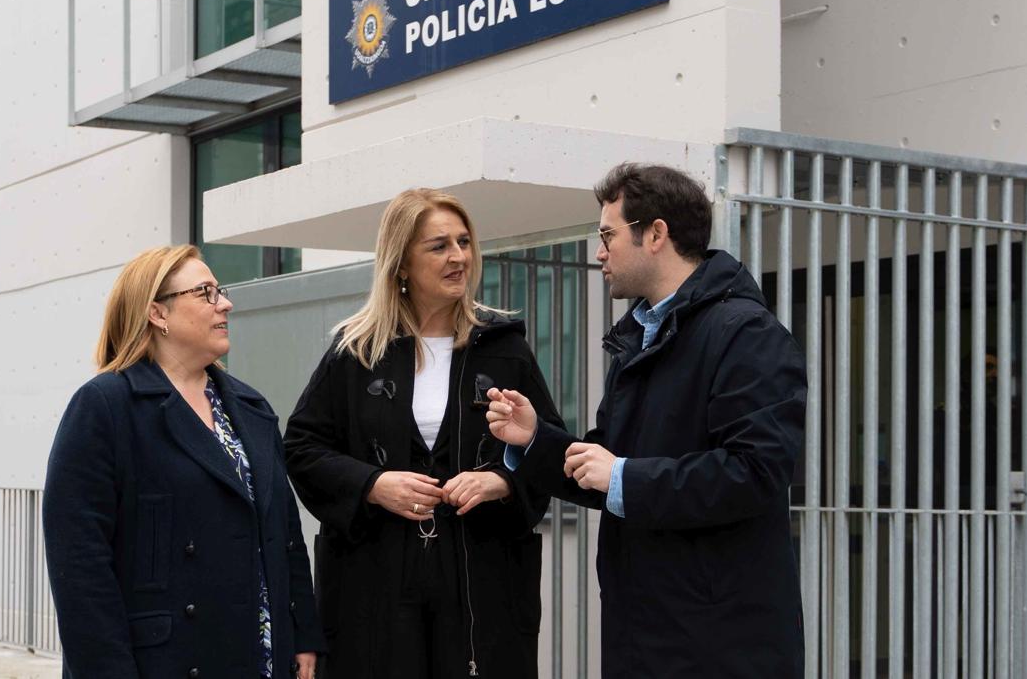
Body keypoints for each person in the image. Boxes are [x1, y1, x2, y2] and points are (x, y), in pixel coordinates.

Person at [487, 163, 807, 677]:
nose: (599, 252)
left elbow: (756, 473)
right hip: (644, 634)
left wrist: (623, 476)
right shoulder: (642, 337)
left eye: (607, 235)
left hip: (719, 647)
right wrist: (535, 441)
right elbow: (606, 469)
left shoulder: (746, 333)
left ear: (655, 233)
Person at [284, 188, 565, 679]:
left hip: (482, 581)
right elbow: (303, 449)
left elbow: (551, 448)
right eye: (438, 246)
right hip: (376, 584)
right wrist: (373, 485)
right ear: (401, 265)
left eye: (464, 242)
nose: (459, 257)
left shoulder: (503, 346)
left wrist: (501, 480)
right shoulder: (355, 351)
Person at [43, 245, 324, 679]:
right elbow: (80, 569)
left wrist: (304, 633)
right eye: (206, 293)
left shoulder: (251, 407)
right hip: (165, 660)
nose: (225, 303)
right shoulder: (105, 407)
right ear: (158, 313)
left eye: (220, 292)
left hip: (263, 656)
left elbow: (285, 533)